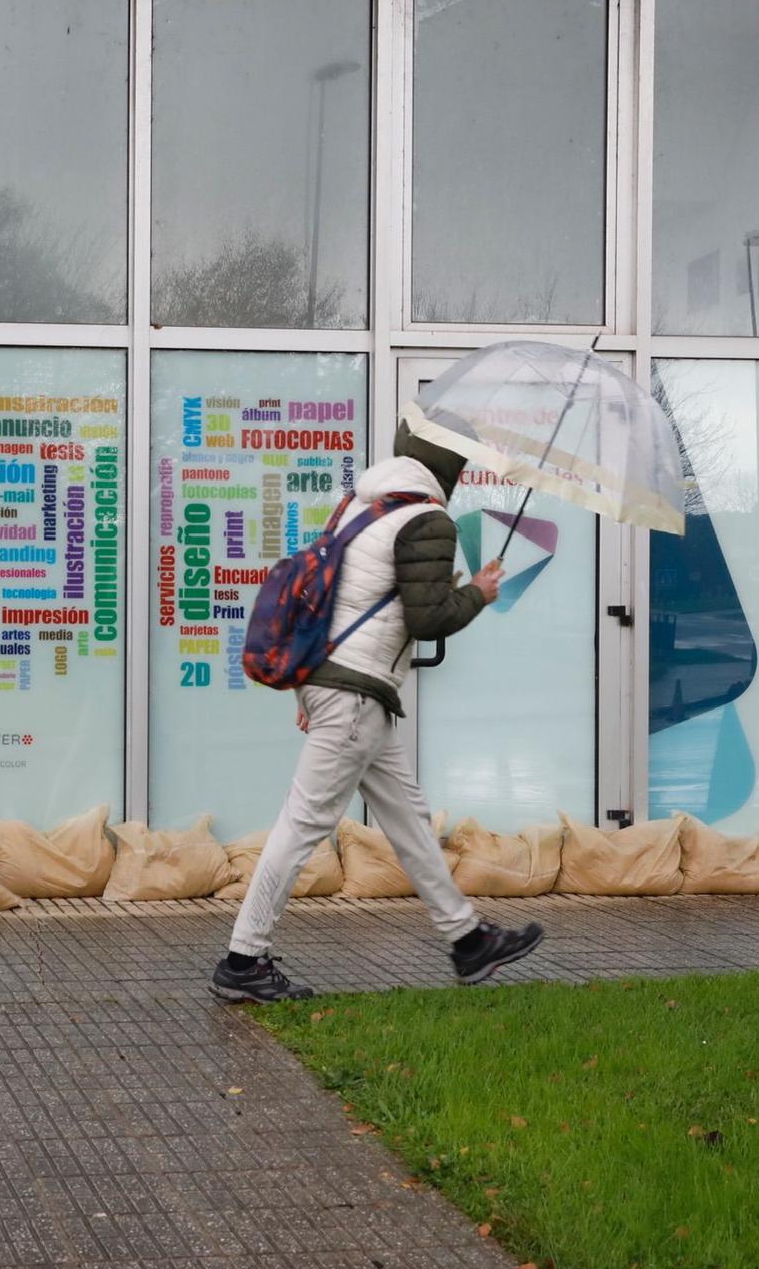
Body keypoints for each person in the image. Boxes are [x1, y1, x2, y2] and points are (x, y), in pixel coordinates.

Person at [210, 419, 546, 1002]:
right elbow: (429, 619)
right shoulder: (427, 519)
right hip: (356, 696)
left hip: (344, 689)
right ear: (448, 467)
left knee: (409, 819)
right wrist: (480, 594)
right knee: (301, 826)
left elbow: (320, 602)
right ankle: (243, 959)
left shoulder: (359, 506)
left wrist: (307, 689)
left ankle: (467, 942)